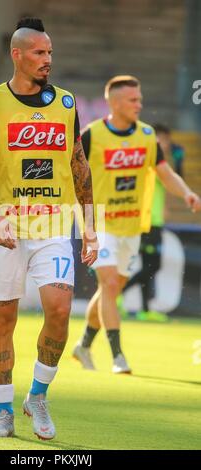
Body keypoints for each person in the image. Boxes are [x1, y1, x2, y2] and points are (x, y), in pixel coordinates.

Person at [0, 17, 98, 440]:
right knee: (3, 322)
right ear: (17, 55)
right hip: (3, 229)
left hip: (53, 225)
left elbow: (79, 164)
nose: (47, 60)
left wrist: (90, 227)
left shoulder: (65, 104)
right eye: (40, 53)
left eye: (50, 53)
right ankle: (3, 412)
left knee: (59, 312)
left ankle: (38, 396)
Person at [72, 75, 201, 372]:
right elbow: (74, 173)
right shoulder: (91, 136)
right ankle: (118, 356)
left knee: (111, 289)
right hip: (101, 223)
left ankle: (83, 344)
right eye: (133, 100)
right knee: (109, 283)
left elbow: (165, 173)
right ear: (115, 103)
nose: (139, 104)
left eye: (139, 99)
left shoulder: (146, 136)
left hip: (131, 226)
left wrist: (187, 193)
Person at [122, 124, 185, 321]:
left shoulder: (160, 162)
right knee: (152, 266)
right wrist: (178, 161)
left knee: (149, 266)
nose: (162, 143)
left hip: (153, 220)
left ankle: (145, 309)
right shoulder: (150, 161)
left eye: (165, 139)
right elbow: (173, 179)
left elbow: (171, 183)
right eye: (159, 139)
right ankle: (117, 290)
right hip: (146, 221)